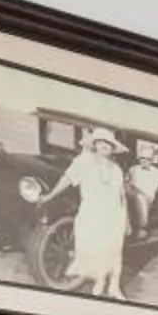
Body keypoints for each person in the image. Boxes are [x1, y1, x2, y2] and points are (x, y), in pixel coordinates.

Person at [53, 127, 132, 299]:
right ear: (95, 144)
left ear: (113, 148)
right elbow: (67, 178)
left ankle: (114, 286)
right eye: (101, 142)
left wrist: (127, 221)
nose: (105, 145)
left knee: (114, 251)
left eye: (109, 143)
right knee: (97, 249)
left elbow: (122, 196)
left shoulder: (117, 169)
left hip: (114, 215)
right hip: (91, 214)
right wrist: (50, 196)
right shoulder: (83, 162)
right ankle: (100, 281)